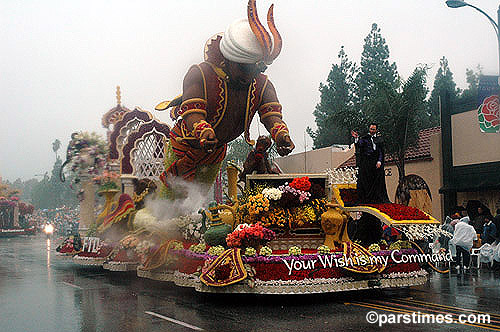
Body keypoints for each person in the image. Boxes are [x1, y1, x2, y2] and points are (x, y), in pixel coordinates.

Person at [156, 0, 294, 189]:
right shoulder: (200, 74)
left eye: (255, 70)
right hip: (184, 148)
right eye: (244, 69)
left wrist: (281, 135)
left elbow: (273, 117)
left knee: (199, 200)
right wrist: (203, 130)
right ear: (228, 60)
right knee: (169, 201)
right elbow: (192, 113)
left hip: (215, 153)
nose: (250, 76)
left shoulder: (262, 84)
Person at [351, 123, 389, 204]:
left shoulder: (379, 139)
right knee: (366, 179)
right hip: (367, 162)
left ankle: (377, 198)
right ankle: (366, 198)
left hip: (376, 162)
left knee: (377, 179)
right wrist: (356, 138)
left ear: (376, 130)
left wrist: (379, 161)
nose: (372, 130)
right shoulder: (365, 138)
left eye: (373, 129)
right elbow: (359, 144)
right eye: (371, 129)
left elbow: (381, 152)